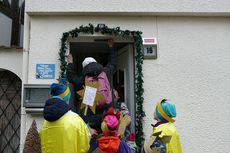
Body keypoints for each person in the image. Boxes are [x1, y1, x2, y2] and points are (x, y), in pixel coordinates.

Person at [66, 39, 116, 139]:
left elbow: (72, 78)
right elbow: (112, 63)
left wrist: (70, 63)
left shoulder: (84, 79)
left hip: (91, 116)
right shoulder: (105, 72)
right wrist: (111, 47)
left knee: (93, 138)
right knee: (107, 134)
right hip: (106, 113)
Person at [40, 83, 90, 153]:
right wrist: (87, 130)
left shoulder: (46, 122)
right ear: (67, 98)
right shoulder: (75, 119)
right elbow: (85, 146)